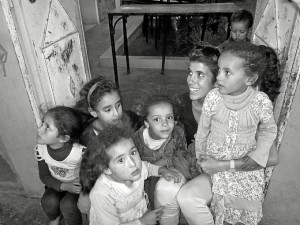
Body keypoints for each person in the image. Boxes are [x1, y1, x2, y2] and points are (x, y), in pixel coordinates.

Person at [176, 44, 280, 225]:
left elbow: (271, 157)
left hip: (237, 175)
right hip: (212, 170)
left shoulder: (253, 108)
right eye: (190, 73)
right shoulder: (201, 101)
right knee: (185, 196)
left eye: (201, 74)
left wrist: (222, 165)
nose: (191, 80)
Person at [79, 125, 182, 225]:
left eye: (133, 153)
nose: (133, 164)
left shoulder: (135, 171)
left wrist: (162, 170)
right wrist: (143, 222)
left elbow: (147, 167)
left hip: (139, 215)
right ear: (106, 169)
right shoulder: (102, 193)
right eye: (121, 160)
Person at [75, 76, 141, 214]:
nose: (117, 113)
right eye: (107, 109)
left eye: (118, 105)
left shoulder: (128, 118)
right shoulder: (89, 137)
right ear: (93, 112)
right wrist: (85, 193)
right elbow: (90, 170)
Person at [133, 94, 187, 225]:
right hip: (144, 178)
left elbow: (182, 155)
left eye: (169, 117)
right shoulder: (138, 138)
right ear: (146, 123)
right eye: (157, 119)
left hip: (168, 174)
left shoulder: (177, 134)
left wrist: (165, 162)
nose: (165, 124)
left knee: (165, 193)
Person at [35, 106, 85, 225]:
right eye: (42, 123)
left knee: (68, 206)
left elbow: (89, 174)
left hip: (75, 185)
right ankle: (55, 218)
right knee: (48, 202)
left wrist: (82, 192)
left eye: (47, 127)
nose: (39, 129)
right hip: (56, 183)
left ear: (63, 138)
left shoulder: (79, 153)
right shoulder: (40, 149)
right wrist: (63, 186)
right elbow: (44, 176)